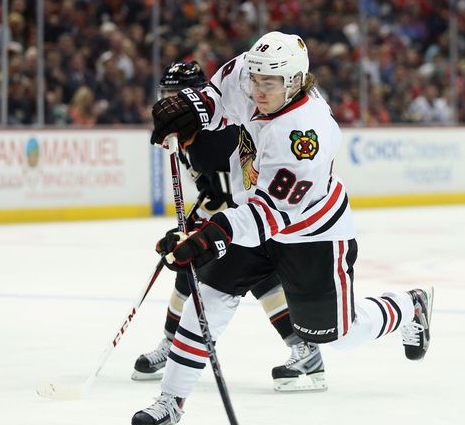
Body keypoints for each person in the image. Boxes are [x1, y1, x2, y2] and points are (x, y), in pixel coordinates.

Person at [133, 32, 433, 425]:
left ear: (295, 82)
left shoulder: (304, 135)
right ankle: (171, 401)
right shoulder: (251, 73)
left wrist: (210, 235)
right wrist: (190, 107)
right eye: (255, 80)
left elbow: (270, 215)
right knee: (206, 299)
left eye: (269, 84)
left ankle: (409, 306)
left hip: (311, 233)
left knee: (339, 335)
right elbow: (218, 98)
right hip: (255, 216)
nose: (258, 90)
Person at [132, 60, 327, 394]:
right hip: (236, 217)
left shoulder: (219, 133)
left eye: (178, 95)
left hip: (255, 216)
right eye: (166, 95)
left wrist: (199, 228)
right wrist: (194, 224)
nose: (171, 103)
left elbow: (234, 193)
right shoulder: (186, 135)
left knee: (246, 276)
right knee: (196, 271)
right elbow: (212, 189)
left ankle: (304, 348)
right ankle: (303, 349)